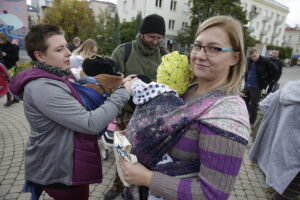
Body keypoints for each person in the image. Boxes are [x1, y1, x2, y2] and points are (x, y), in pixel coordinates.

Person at [119, 15, 251, 200]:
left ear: (235, 57)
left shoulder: (228, 114)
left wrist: (146, 178)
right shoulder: (187, 89)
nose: (200, 55)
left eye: (214, 48)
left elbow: (211, 194)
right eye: (198, 46)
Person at [8, 24, 137, 200]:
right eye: (59, 49)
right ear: (40, 55)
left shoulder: (58, 75)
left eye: (66, 46)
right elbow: (90, 123)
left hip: (63, 160)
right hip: (60, 170)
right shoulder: (43, 87)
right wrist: (123, 92)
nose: (69, 52)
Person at [104, 13, 167, 200]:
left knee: (148, 153)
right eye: (152, 37)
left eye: (159, 38)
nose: (156, 41)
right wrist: (127, 87)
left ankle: (143, 187)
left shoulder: (165, 56)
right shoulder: (124, 51)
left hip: (154, 115)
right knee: (124, 150)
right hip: (127, 112)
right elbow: (109, 80)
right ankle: (118, 185)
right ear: (142, 34)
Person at [248, 81, 300, 200]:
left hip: (279, 154)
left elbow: (265, 104)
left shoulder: (290, 87)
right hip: (295, 161)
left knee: (281, 195)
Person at [243, 48, 278, 126]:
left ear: (257, 53)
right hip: (247, 85)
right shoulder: (249, 60)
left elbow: (275, 69)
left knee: (254, 105)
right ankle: (243, 118)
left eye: (255, 56)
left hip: (257, 86)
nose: (254, 58)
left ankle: (251, 122)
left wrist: (268, 80)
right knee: (243, 102)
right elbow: (247, 71)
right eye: (252, 57)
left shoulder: (265, 60)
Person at [0, 32, 19, 106]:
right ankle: (15, 98)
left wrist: (6, 55)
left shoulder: (12, 47)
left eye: (1, 40)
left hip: (10, 67)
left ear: (4, 39)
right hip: (2, 67)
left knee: (8, 83)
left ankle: (9, 99)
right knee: (6, 83)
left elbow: (16, 58)